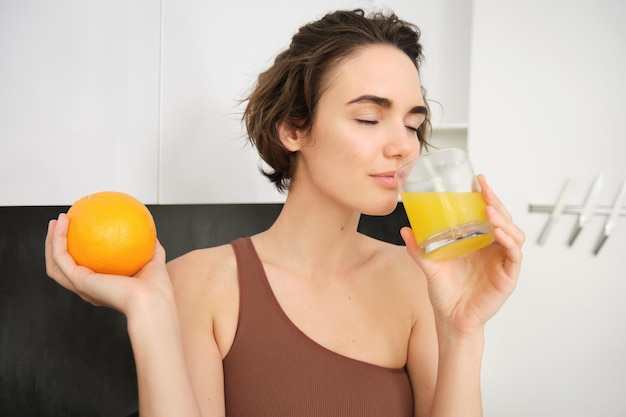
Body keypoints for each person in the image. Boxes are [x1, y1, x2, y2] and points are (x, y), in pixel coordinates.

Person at [45, 8, 525, 417]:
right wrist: (147, 310)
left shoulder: (423, 279)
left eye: (413, 124)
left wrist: (464, 332)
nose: (403, 146)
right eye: (369, 118)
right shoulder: (199, 282)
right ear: (293, 129)